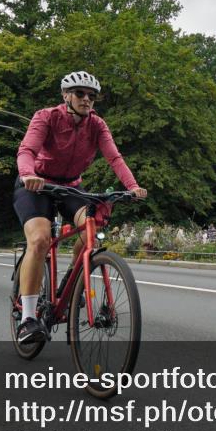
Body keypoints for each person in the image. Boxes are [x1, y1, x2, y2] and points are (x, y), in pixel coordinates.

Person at [13, 71, 148, 343]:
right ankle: (28, 319)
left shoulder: (97, 125)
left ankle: (73, 284)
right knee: (40, 240)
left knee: (91, 234)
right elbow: (27, 149)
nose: (86, 99)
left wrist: (132, 186)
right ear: (66, 96)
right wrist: (28, 174)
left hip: (71, 186)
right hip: (37, 185)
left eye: (91, 95)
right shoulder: (46, 117)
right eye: (80, 93)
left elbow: (114, 157)